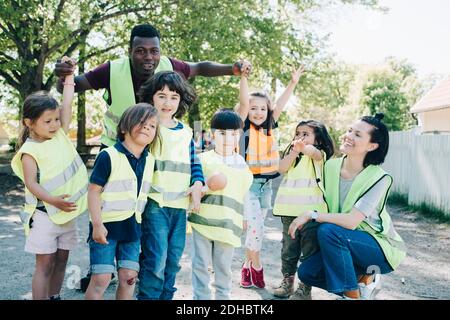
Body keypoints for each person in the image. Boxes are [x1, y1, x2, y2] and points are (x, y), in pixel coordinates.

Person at [54, 23, 251, 149]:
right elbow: (67, 87)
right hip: (116, 145)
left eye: (154, 51)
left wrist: (232, 69)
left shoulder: (170, 66)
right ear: (129, 50)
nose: (148, 57)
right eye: (140, 51)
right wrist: (64, 74)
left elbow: (200, 67)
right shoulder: (111, 69)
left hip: (154, 145)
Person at [288, 113, 406, 300]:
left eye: (358, 135)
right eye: (350, 130)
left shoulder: (380, 178)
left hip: (378, 249)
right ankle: (363, 279)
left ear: (372, 146)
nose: (349, 136)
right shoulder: (330, 167)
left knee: (328, 230)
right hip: (342, 242)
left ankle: (351, 295)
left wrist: (311, 215)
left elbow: (351, 222)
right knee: (308, 272)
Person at [11, 58, 88, 300]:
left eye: (56, 119)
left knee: (62, 260)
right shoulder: (29, 151)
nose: (55, 124)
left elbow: (67, 102)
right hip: (45, 216)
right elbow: (31, 184)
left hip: (68, 213)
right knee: (44, 264)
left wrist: (68, 78)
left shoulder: (59, 135)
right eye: (48, 121)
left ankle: (54, 297)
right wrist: (54, 200)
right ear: (29, 123)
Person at [236, 64, 305, 289]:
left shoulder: (269, 128)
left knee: (257, 230)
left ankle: (246, 268)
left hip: (265, 186)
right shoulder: (243, 127)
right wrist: (243, 78)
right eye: (254, 108)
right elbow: (245, 103)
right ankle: (257, 266)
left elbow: (281, 104)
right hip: (247, 185)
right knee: (256, 230)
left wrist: (293, 82)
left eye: (262, 109)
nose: (257, 112)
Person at [136, 71, 203, 300]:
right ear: (151, 97)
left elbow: (195, 163)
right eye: (162, 95)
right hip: (156, 204)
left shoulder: (185, 132)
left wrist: (198, 183)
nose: (167, 102)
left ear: (181, 100)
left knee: (173, 260)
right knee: (156, 259)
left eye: (174, 97)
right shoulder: (147, 127)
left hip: (180, 206)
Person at [84, 104, 158, 300]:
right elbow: (93, 192)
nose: (146, 128)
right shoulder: (108, 156)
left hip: (132, 228)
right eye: (141, 123)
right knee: (101, 278)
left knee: (129, 277)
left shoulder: (150, 160)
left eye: (152, 126)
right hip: (105, 227)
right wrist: (97, 225)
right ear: (124, 128)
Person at [188, 109, 253, 300]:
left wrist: (246, 217)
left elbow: (245, 193)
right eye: (222, 133)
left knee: (223, 267)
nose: (228, 138)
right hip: (203, 221)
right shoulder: (202, 160)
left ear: (239, 135)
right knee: (200, 264)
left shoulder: (241, 164)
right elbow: (195, 187)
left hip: (228, 224)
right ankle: (201, 299)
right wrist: (206, 186)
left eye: (233, 134)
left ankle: (223, 299)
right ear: (213, 134)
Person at [272, 120, 334, 299]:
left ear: (318, 140)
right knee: (288, 250)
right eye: (298, 133)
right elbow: (281, 168)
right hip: (289, 212)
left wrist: (303, 147)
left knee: (309, 250)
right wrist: (294, 151)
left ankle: (305, 287)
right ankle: (287, 282)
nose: (300, 137)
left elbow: (313, 152)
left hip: (310, 214)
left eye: (306, 134)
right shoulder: (294, 154)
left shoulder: (319, 154)